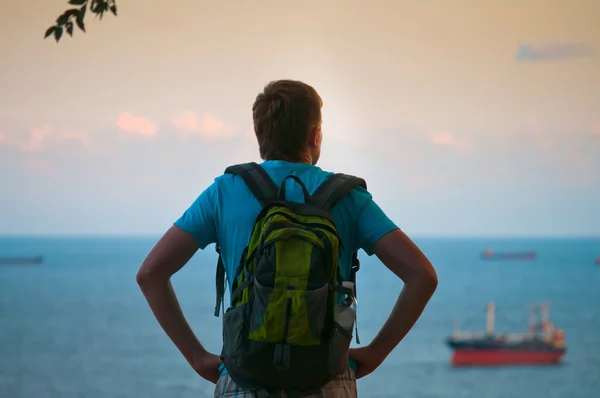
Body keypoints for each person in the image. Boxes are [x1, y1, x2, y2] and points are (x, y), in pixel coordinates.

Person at [136, 79, 438, 397]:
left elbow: (150, 274)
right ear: (315, 135)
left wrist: (198, 358)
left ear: (259, 135)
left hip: (244, 378)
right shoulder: (350, 199)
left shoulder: (224, 192)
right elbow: (422, 275)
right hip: (327, 380)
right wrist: (376, 353)